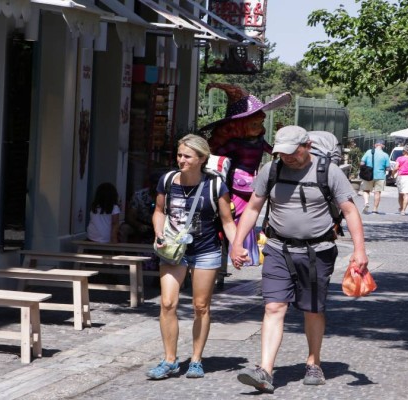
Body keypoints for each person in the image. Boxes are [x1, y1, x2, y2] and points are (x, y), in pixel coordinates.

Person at [230, 125, 369, 393]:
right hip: (277, 249)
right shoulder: (271, 170)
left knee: (313, 309)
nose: (288, 158)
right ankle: (265, 371)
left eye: (292, 152)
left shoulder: (328, 171)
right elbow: (253, 208)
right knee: (273, 307)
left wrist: (359, 250)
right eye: (282, 153)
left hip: (318, 251)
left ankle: (313, 363)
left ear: (306, 145)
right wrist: (237, 243)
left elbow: (350, 212)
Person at [147, 134, 238, 380]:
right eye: (179, 155)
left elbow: (227, 222)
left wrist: (237, 246)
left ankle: (196, 360)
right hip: (173, 250)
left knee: (200, 306)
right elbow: (158, 211)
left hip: (206, 250)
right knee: (167, 303)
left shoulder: (216, 186)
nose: (181, 160)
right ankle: (169, 360)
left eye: (187, 156)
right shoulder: (167, 181)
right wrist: (158, 232)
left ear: (201, 158)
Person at [199, 83, 292, 265]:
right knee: (237, 217)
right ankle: (239, 251)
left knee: (248, 218)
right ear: (240, 125)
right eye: (254, 124)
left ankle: (247, 253)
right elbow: (217, 152)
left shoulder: (258, 141)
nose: (259, 127)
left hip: (253, 181)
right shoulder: (236, 143)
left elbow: (273, 151)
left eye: (260, 123)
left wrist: (281, 136)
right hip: (237, 183)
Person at [359, 140, 390, 214]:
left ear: (374, 145)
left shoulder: (368, 152)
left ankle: (366, 202)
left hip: (368, 175)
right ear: (383, 146)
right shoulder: (385, 155)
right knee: (377, 193)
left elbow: (362, 163)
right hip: (380, 175)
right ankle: (375, 209)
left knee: (366, 190)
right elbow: (388, 168)